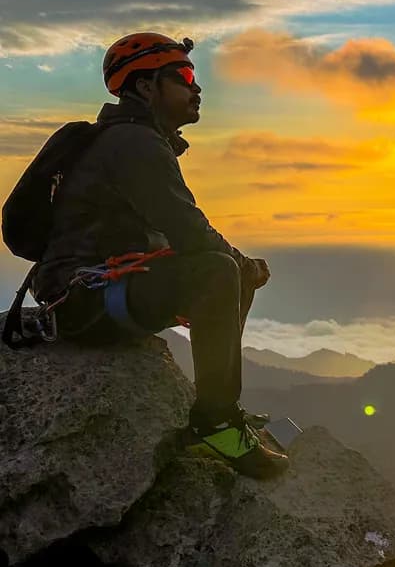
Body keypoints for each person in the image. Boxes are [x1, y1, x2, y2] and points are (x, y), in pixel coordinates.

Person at [30, 33, 284, 480]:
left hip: (85, 293)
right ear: (146, 88)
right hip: (83, 300)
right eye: (184, 77)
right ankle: (218, 422)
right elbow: (189, 230)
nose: (196, 88)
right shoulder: (135, 143)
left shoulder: (130, 139)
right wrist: (242, 265)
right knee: (218, 271)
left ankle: (222, 409)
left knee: (224, 269)